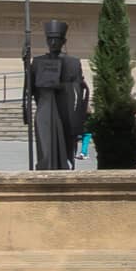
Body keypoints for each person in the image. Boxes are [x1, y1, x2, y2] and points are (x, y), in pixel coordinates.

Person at [22, 18, 89, 172]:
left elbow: (81, 85)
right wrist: (26, 68)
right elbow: (30, 89)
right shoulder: (38, 61)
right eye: (50, 39)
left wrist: (63, 86)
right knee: (44, 140)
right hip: (45, 105)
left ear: (63, 41)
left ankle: (65, 164)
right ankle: (44, 166)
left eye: (57, 40)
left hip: (64, 106)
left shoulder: (73, 62)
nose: (53, 43)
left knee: (66, 140)